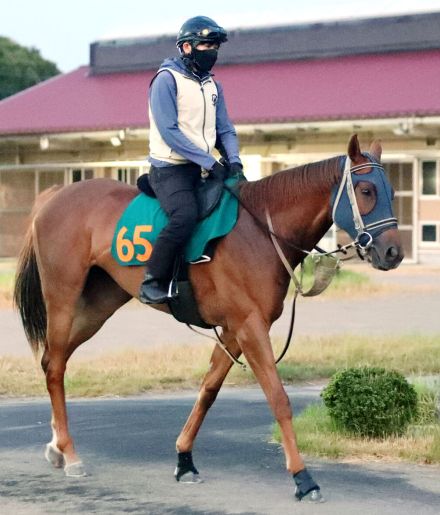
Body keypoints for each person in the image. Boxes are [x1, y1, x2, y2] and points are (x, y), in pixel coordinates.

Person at [139, 15, 243, 304]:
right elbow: (170, 132)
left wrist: (233, 160)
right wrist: (211, 162)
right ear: (186, 47)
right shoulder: (166, 80)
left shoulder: (213, 85)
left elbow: (225, 128)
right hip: (170, 171)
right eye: (206, 44)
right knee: (184, 216)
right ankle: (153, 280)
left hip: (202, 167)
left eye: (215, 46)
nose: (212, 51)